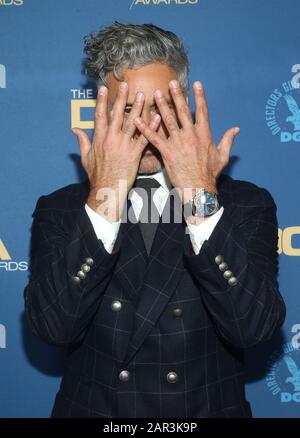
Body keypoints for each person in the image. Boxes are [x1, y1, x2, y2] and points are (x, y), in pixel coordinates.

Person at [24, 22, 286, 418]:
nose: (145, 127)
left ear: (184, 108)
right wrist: (104, 199)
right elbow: (52, 328)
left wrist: (199, 191)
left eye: (160, 107)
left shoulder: (245, 204)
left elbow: (253, 329)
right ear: (103, 112)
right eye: (127, 109)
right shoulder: (60, 209)